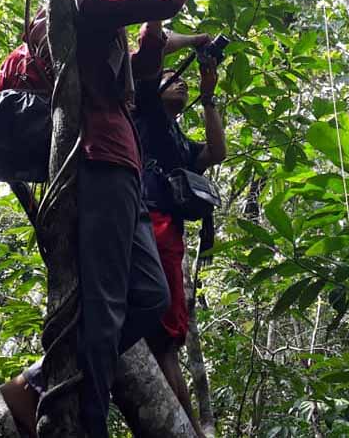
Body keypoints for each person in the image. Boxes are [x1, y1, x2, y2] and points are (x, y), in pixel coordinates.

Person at [0, 0, 191, 438]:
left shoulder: (90, 23)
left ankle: (41, 379)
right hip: (98, 158)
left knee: (150, 297)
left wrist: (151, 4)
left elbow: (145, 67)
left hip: (120, 163)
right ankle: (88, 421)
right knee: (106, 304)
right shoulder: (78, 2)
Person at [132, 35, 227, 437]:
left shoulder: (176, 137)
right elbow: (150, 51)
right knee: (161, 336)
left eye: (182, 80)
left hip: (169, 233)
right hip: (144, 222)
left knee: (169, 339)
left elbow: (215, 153)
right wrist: (197, 41)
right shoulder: (144, 112)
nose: (180, 82)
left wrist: (207, 97)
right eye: (172, 79)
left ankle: (185, 425)